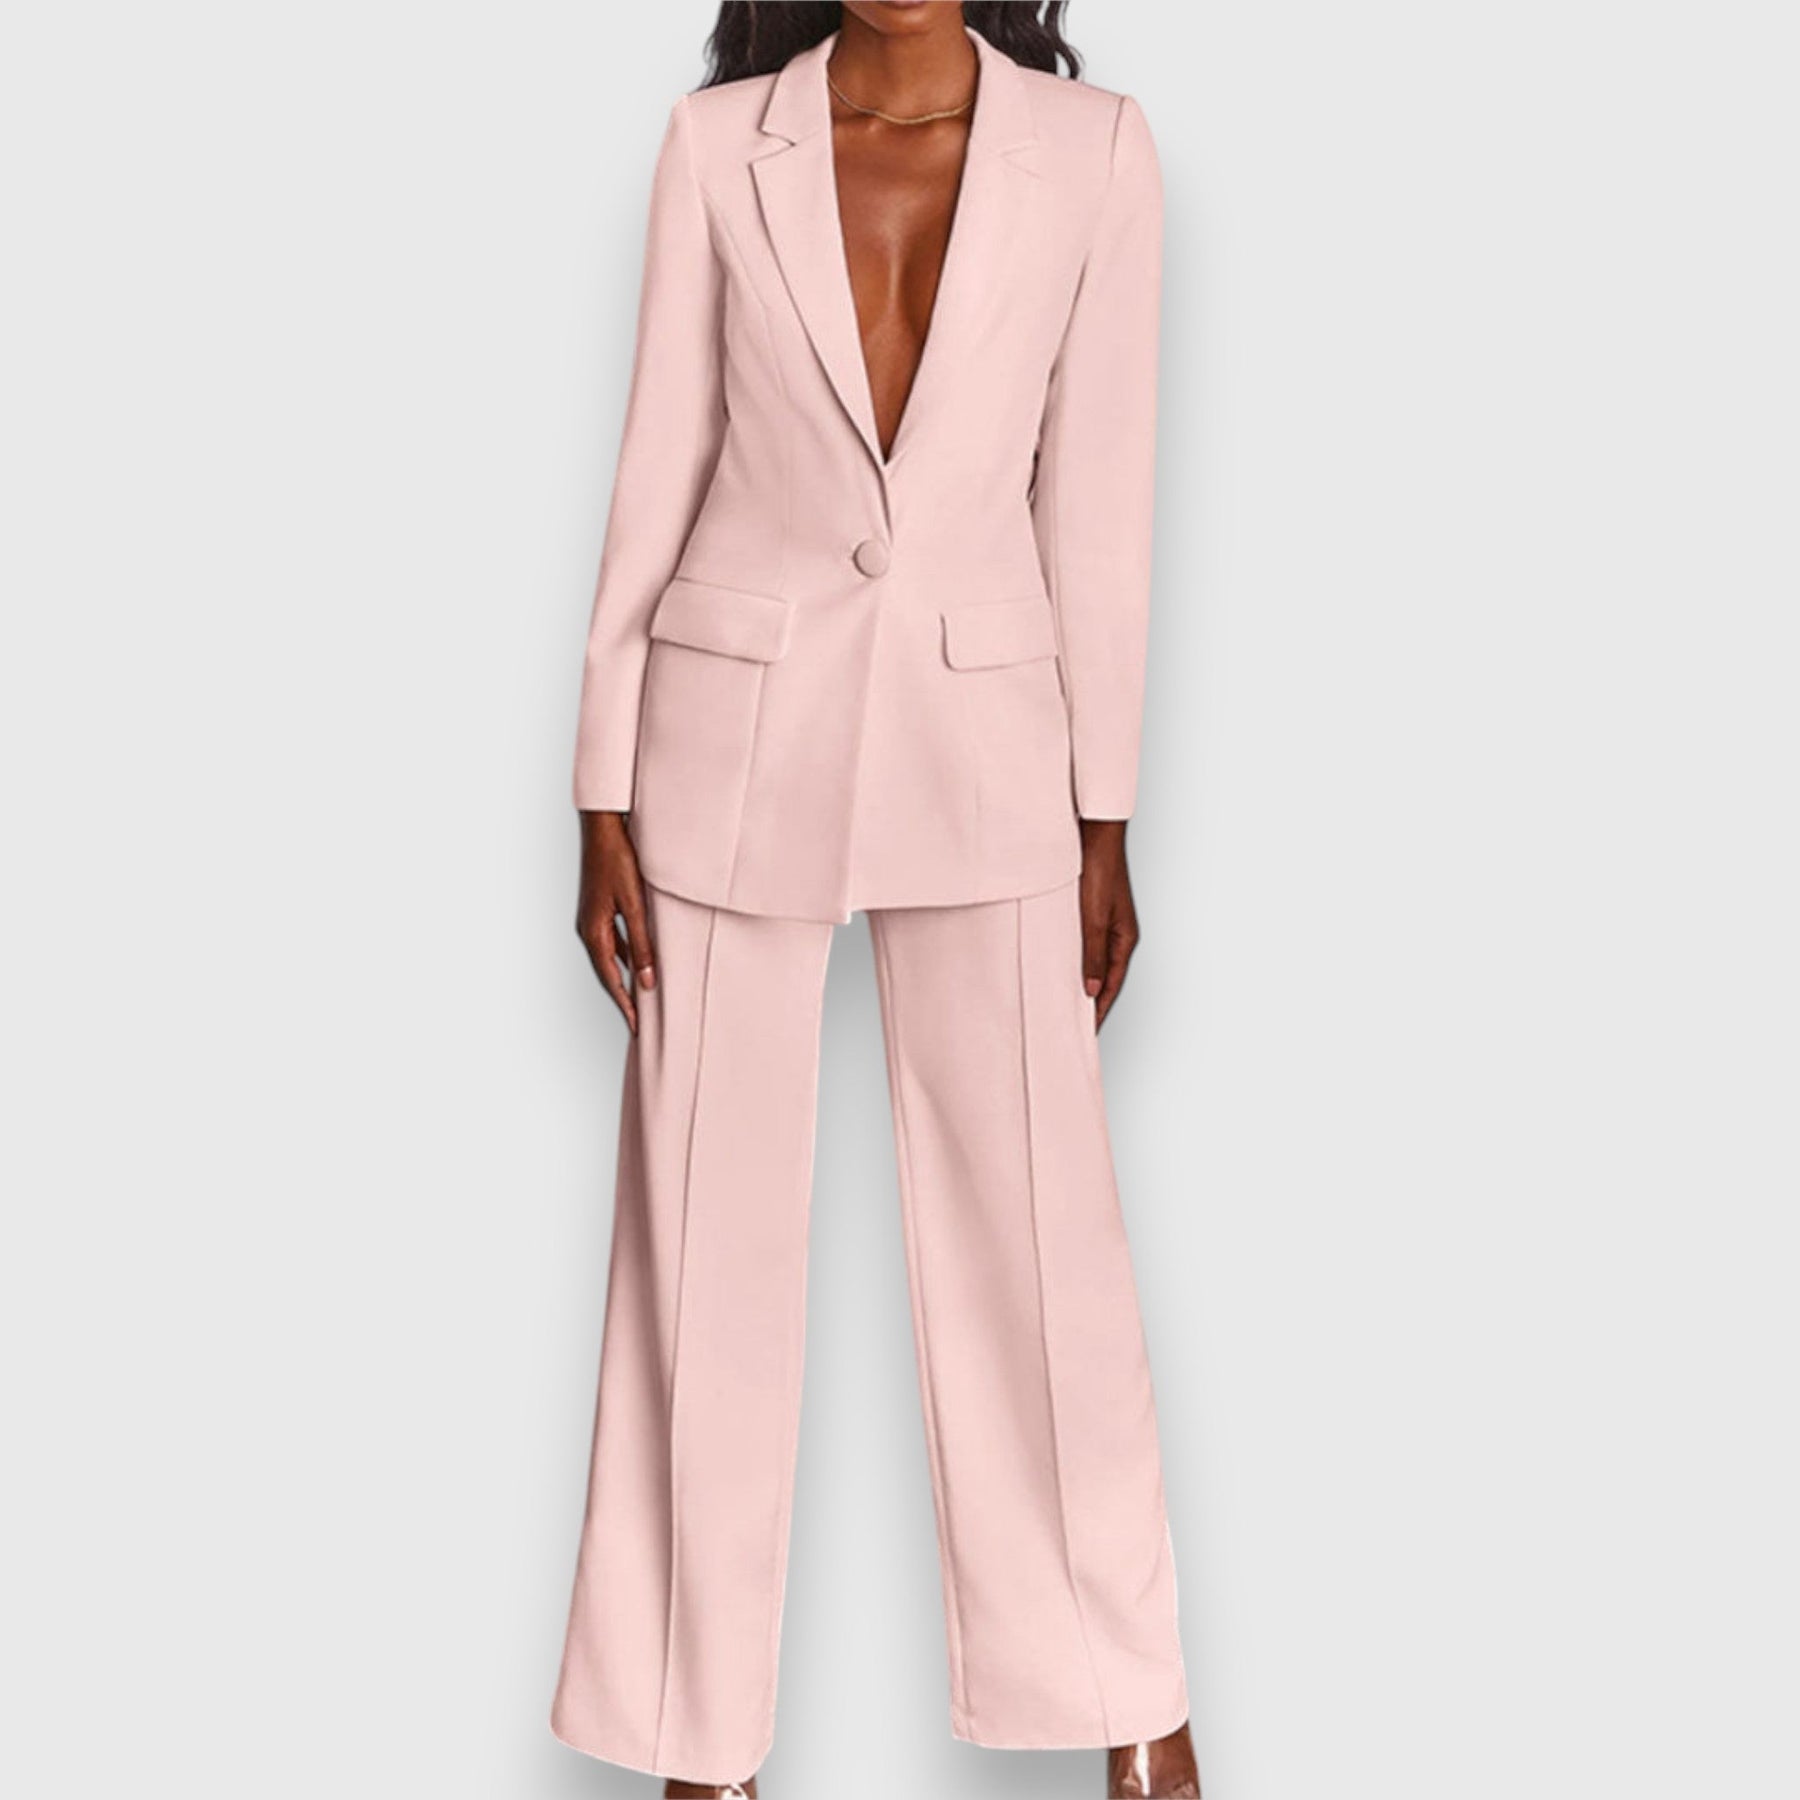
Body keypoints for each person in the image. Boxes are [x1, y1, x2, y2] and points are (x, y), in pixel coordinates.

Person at [551, 5, 1200, 1796]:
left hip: (988, 739)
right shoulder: (716, 149)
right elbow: (658, 464)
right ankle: (694, 1733)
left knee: (1043, 1244)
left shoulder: (1099, 156)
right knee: (700, 1243)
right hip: (727, 730)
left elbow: (1102, 505)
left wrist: (1107, 813)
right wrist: (598, 781)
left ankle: (1131, 1692)